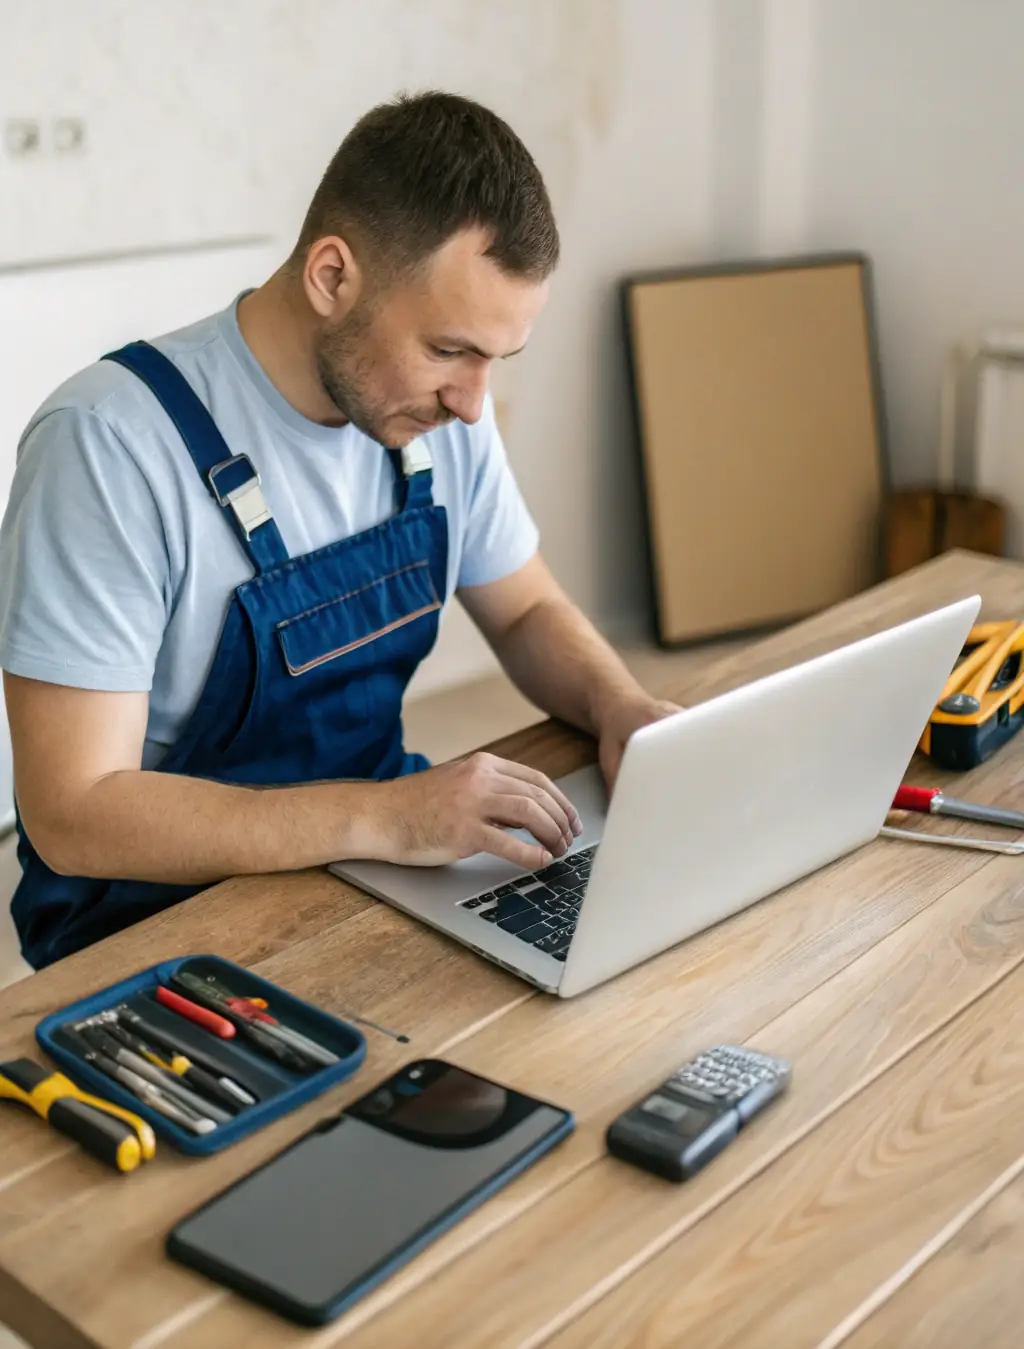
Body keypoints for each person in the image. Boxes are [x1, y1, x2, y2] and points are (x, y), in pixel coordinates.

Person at [0, 91, 677, 970]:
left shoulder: (439, 420)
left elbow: (523, 611)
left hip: (374, 869)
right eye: (448, 349)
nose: (474, 402)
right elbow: (73, 813)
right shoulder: (110, 446)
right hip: (153, 929)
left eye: (495, 360)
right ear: (332, 276)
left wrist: (619, 702)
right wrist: (388, 815)